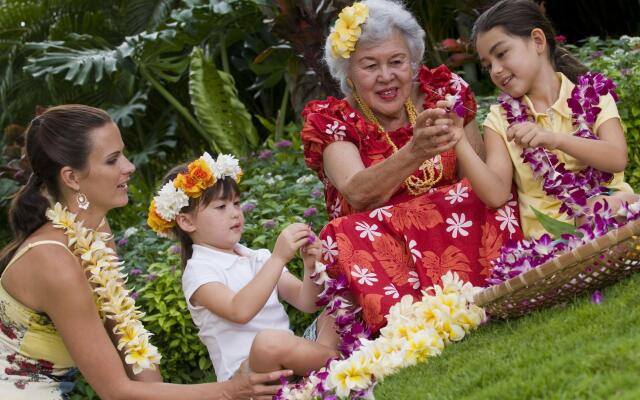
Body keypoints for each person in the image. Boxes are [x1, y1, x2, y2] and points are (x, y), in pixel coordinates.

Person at [0, 105, 291, 399]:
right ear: (72, 178)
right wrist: (228, 391)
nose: (129, 166)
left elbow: (127, 334)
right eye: (113, 160)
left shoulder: (95, 229)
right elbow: (115, 391)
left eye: (123, 154)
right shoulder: (53, 261)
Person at [300, 0, 523, 333]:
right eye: (369, 65)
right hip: (384, 251)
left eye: (396, 61)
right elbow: (358, 193)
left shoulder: (444, 93)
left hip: (455, 232)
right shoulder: (333, 120)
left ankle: (506, 282)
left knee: (486, 194)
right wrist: (415, 151)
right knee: (345, 231)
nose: (386, 76)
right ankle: (405, 321)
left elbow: (476, 174)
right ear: (347, 71)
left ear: (414, 62)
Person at [147, 154, 339, 382]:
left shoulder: (257, 257)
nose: (235, 212)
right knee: (268, 343)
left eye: (236, 203)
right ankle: (345, 364)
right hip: (249, 378)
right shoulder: (198, 271)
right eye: (221, 206)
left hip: (289, 359)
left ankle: (325, 368)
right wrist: (278, 259)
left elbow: (306, 302)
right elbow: (239, 311)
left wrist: (311, 267)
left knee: (342, 301)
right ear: (187, 222)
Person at [456, 0, 637, 238]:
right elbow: (496, 194)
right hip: (552, 238)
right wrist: (457, 137)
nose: (496, 70)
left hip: (612, 205)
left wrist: (554, 139)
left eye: (502, 54)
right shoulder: (499, 120)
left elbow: (616, 158)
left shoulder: (594, 95)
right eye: (487, 65)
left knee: (612, 205)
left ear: (538, 41)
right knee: (593, 213)